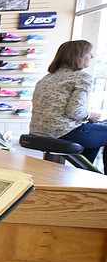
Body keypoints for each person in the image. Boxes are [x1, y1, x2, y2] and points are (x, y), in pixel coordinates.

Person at [30, 40, 105, 172]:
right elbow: (74, 112)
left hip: (39, 131)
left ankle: (87, 176)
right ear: (79, 56)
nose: (92, 56)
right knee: (98, 131)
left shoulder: (47, 78)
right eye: (88, 52)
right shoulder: (81, 77)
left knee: (96, 136)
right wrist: (90, 115)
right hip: (63, 131)